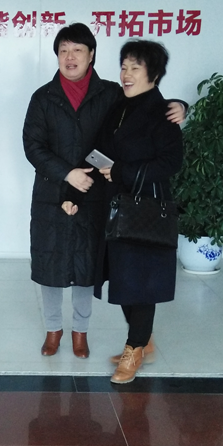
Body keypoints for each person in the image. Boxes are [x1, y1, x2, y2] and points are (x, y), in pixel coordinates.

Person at [23, 24, 185, 359]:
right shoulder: (43, 97)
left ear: (91, 55)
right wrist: (68, 174)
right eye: (64, 50)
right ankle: (53, 330)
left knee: (87, 266)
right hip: (54, 192)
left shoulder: (111, 93)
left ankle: (80, 332)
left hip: (97, 196)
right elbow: (33, 146)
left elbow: (147, 105)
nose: (70, 57)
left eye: (77, 50)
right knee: (50, 263)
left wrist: (181, 106)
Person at [93, 40, 183, 384]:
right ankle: (144, 341)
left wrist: (122, 172)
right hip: (116, 206)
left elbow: (171, 162)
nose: (126, 74)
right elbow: (102, 147)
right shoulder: (118, 105)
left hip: (145, 208)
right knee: (123, 279)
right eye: (124, 66)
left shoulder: (163, 113)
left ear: (154, 74)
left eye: (135, 67)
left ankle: (134, 349)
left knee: (140, 282)